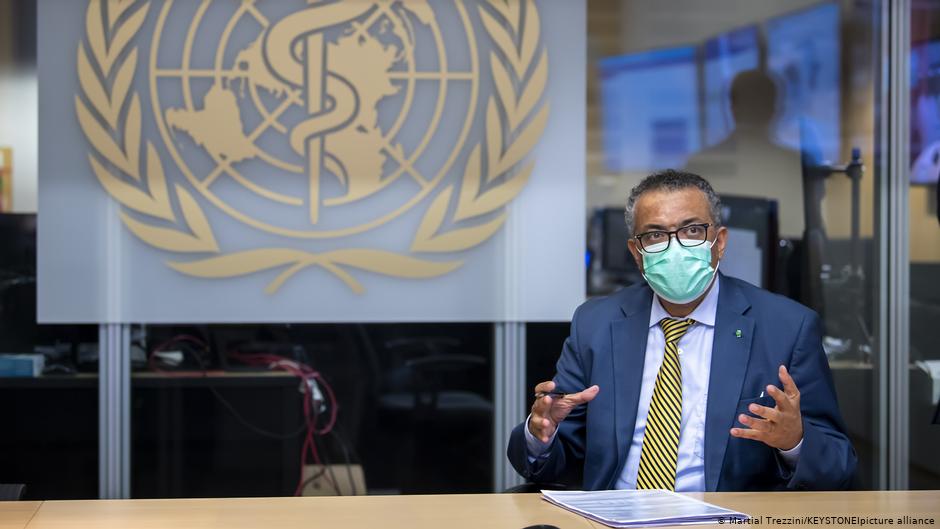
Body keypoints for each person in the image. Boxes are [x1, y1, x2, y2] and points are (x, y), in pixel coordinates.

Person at [507, 170, 856, 491]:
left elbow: (840, 465)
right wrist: (540, 436)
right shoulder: (596, 324)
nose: (675, 247)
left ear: (719, 241)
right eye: (656, 235)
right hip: (613, 517)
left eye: (692, 231)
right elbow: (555, 454)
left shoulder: (787, 327)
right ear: (636, 252)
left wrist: (795, 442)